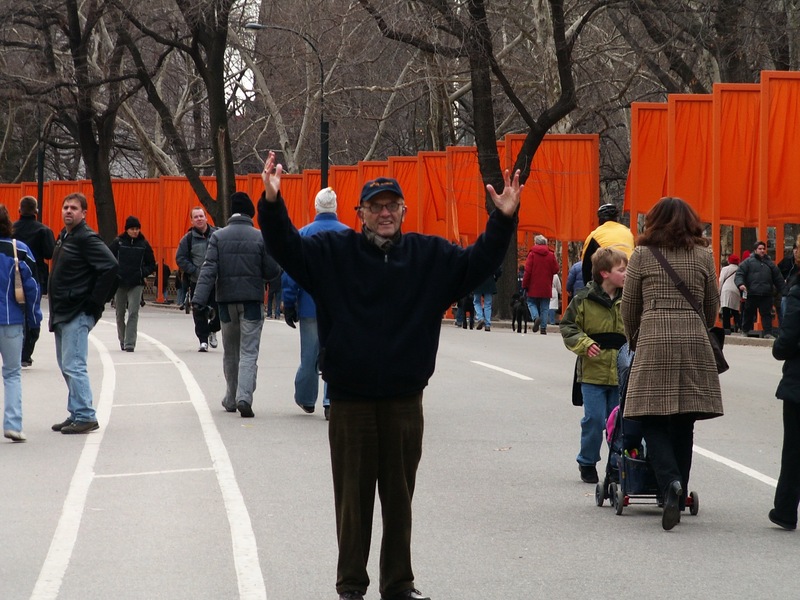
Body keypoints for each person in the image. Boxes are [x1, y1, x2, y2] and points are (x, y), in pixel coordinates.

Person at [258, 150, 520, 600]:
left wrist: (503, 220)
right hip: (349, 399)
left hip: (403, 398)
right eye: (375, 206)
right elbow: (286, 247)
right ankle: (351, 585)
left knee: (399, 498)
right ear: (359, 213)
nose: (385, 213)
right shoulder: (333, 253)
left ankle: (398, 583)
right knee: (353, 500)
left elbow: (476, 264)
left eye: (392, 205)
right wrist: (271, 202)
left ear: (403, 210)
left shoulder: (428, 256)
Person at [621, 196, 723, 531]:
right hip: (694, 339)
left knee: (650, 417)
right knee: (684, 420)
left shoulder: (642, 255)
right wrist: (697, 323)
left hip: (653, 338)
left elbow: (629, 306)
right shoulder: (704, 255)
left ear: (653, 221)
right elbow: (712, 305)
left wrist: (634, 338)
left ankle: (670, 484)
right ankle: (678, 492)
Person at [193, 192, 280, 418]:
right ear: (250, 213)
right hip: (251, 302)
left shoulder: (218, 237)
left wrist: (199, 299)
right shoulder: (260, 237)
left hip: (225, 304)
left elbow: (209, 268)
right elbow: (272, 270)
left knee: (231, 352)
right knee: (249, 352)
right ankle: (244, 397)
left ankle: (231, 398)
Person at [49, 192, 118, 435]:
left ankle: (86, 415)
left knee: (74, 364)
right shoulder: (65, 236)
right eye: (65, 207)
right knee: (66, 365)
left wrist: (95, 302)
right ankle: (77, 412)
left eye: (74, 208)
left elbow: (111, 267)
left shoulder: (86, 238)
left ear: (84, 213)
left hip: (76, 311)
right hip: (63, 311)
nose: (68, 211)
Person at [560, 247, 628, 484]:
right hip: (592, 373)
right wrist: (584, 343)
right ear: (604, 273)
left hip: (621, 373)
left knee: (619, 424)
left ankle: (617, 465)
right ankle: (587, 461)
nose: (626, 274)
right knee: (595, 420)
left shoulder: (630, 299)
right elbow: (568, 326)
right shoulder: (583, 299)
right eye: (621, 270)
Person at [282, 187, 349, 419]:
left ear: (316, 207)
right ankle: (331, 400)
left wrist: (289, 302)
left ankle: (306, 398)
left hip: (310, 305)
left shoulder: (303, 234)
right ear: (335, 207)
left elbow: (291, 272)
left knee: (309, 355)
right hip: (340, 306)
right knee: (336, 353)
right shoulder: (348, 235)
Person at [1, 205, 42, 441]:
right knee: (12, 373)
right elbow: (32, 287)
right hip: (11, 319)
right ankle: (13, 424)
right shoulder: (20, 250)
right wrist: (34, 318)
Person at [769, 234, 800, 530]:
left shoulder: (797, 291)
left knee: (794, 450)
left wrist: (779, 348)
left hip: (798, 382)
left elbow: (786, 341)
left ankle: (785, 511)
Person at [13, 195, 55, 367]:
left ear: (19, 210)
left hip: (13, 276)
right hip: (35, 276)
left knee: (15, 312)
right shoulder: (43, 231)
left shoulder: (12, 229)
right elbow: (50, 253)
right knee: (32, 313)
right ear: (36, 211)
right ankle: (26, 353)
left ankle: (15, 349)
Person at [109, 216, 156, 352]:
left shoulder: (143, 244)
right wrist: (115, 273)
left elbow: (151, 264)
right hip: (120, 282)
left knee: (133, 312)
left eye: (137, 229)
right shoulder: (118, 243)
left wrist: (142, 273)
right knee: (119, 313)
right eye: (132, 229)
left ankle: (130, 342)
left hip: (136, 283)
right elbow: (108, 258)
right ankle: (122, 339)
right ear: (127, 230)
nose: (135, 231)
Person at [176, 206, 220, 351]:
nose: (199, 219)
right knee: (198, 311)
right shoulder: (188, 239)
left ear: (206, 218)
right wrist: (195, 271)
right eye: (196, 217)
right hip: (198, 281)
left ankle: (213, 329)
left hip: (216, 281)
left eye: (201, 216)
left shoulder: (218, 234)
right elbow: (180, 258)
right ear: (192, 221)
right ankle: (203, 340)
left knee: (219, 310)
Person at [734, 240, 783, 339]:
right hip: (752, 293)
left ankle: (768, 333)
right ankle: (745, 331)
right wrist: (740, 284)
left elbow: (778, 278)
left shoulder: (770, 263)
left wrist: (784, 291)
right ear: (755, 250)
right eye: (760, 249)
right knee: (748, 313)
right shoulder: (747, 262)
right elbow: (739, 274)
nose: (762, 251)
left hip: (766, 293)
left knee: (766, 315)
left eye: (764, 249)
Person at [581, 203, 635, 285]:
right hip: (631, 272)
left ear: (600, 220)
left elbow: (586, 266)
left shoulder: (594, 235)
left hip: (610, 275)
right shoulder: (628, 232)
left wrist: (588, 287)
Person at [521, 234, 559, 334]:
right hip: (546, 285)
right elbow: (556, 269)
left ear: (536, 243)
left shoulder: (532, 254)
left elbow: (527, 271)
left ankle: (535, 317)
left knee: (531, 302)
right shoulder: (551, 254)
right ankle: (543, 328)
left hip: (533, 285)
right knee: (545, 307)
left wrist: (524, 285)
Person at [718, 253, 741, 334]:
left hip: (726, 290)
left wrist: (719, 291)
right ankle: (739, 325)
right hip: (736, 290)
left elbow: (721, 280)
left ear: (729, 261)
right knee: (735, 310)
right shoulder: (739, 269)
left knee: (726, 310)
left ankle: (726, 328)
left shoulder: (725, 269)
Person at [473, 267, 501, 332]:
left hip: (478, 281)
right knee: (488, 304)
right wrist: (495, 277)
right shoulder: (492, 260)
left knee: (476, 302)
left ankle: (480, 318)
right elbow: (498, 269)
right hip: (489, 281)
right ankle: (487, 324)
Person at [778, 243, 798, 322]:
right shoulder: (787, 260)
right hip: (787, 291)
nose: (796, 251)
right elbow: (777, 272)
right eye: (795, 248)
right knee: (784, 313)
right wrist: (783, 281)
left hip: (796, 291)